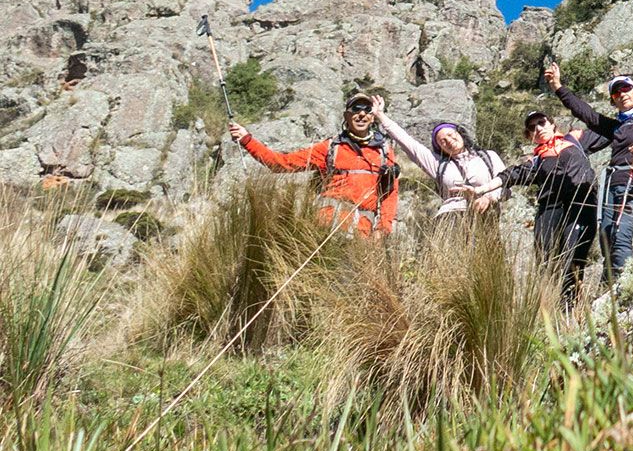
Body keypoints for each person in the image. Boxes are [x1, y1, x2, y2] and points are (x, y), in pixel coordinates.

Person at [545, 28, 633, 278]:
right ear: (613, 101)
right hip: (612, 186)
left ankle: (625, 290)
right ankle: (611, 290)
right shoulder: (614, 126)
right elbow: (586, 114)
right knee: (606, 235)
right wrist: (559, 88)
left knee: (622, 233)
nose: (622, 94)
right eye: (616, 93)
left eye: (626, 89)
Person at [229, 92, 400, 236]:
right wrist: (246, 139)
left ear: (372, 117)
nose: (361, 114)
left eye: (367, 109)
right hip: (328, 227)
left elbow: (390, 193)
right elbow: (281, 163)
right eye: (355, 109)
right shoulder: (329, 148)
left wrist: (383, 228)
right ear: (346, 116)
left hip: (363, 232)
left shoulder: (384, 152)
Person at [477, 110, 599, 308]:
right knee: (546, 259)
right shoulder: (536, 160)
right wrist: (482, 189)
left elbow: (610, 130)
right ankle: (552, 310)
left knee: (572, 256)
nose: (538, 129)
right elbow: (512, 174)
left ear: (553, 124)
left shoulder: (575, 140)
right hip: (549, 209)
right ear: (529, 136)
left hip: (580, 203)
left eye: (542, 123)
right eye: (532, 128)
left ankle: (569, 308)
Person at [375, 103, 504, 221]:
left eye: (450, 134)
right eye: (442, 141)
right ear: (440, 148)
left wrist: (489, 198)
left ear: (460, 133)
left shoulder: (488, 156)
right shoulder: (438, 164)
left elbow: (505, 184)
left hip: (486, 216)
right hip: (451, 220)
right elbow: (406, 141)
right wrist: (380, 115)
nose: (448, 140)